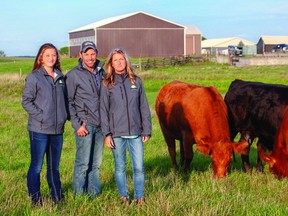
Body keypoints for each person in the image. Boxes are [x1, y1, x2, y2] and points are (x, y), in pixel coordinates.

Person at [100, 48, 152, 205]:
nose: (119, 62)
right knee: (120, 168)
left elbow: (143, 107)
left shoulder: (136, 81)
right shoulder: (107, 83)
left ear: (126, 61)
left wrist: (146, 130)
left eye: (121, 59)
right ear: (111, 63)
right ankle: (124, 196)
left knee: (139, 168)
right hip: (116, 134)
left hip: (136, 132)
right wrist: (106, 134)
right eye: (115, 60)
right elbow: (104, 109)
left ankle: (139, 197)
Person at [22, 43, 68, 205]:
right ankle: (35, 199)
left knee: (54, 167)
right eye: (47, 55)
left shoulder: (60, 77)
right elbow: (26, 101)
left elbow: (65, 101)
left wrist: (65, 117)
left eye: (54, 55)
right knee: (36, 166)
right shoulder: (35, 77)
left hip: (57, 130)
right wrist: (42, 116)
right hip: (39, 129)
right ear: (41, 57)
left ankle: (57, 197)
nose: (51, 58)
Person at [66, 41, 105, 198]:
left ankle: (94, 195)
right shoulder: (73, 75)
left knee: (96, 164)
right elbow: (67, 101)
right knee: (82, 163)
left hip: (101, 125)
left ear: (96, 54)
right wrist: (77, 125)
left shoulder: (102, 72)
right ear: (81, 55)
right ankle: (79, 196)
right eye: (86, 54)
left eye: (93, 54)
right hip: (85, 125)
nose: (90, 57)